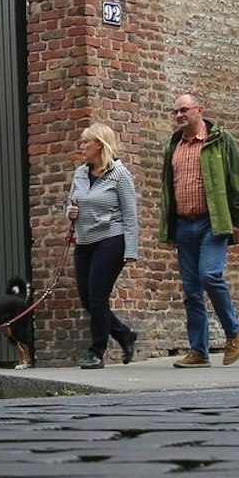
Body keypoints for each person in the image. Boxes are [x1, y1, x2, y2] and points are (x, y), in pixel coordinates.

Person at [160, 91, 239, 368]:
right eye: (175, 111)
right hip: (184, 225)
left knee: (209, 275)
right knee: (190, 290)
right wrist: (169, 227)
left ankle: (234, 332)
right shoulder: (173, 145)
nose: (179, 115)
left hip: (213, 222)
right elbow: (168, 189)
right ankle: (198, 351)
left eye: (184, 110)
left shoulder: (221, 141)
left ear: (199, 110)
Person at [67, 122, 140, 369]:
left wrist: (131, 250)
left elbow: (130, 215)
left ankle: (96, 352)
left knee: (98, 297)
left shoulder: (120, 175)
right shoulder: (79, 173)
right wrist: (71, 212)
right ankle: (123, 334)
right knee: (88, 299)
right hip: (85, 240)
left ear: (99, 144)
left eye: (86, 141)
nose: (82, 145)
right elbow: (72, 202)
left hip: (111, 239)